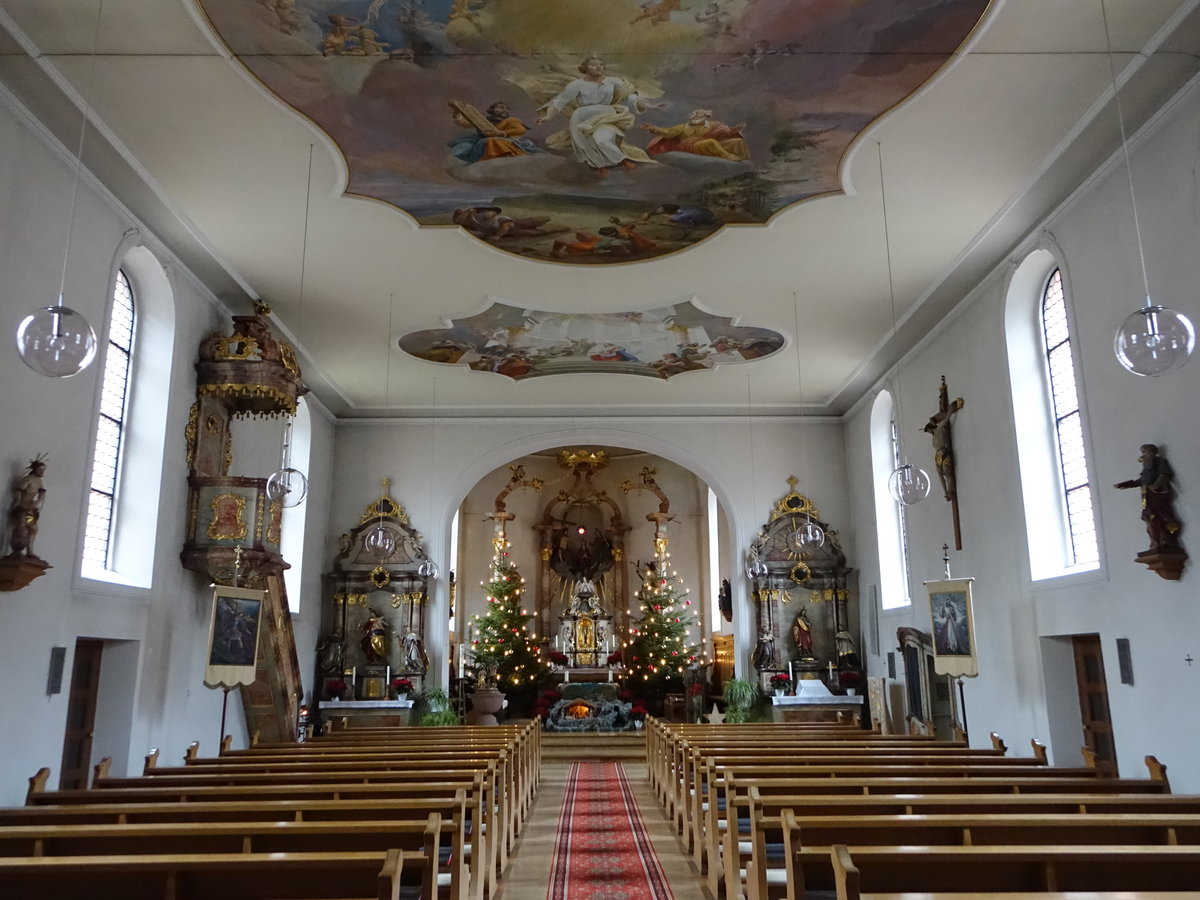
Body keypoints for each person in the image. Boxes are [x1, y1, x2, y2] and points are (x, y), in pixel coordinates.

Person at [534, 57, 668, 178]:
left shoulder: (613, 82)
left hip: (605, 115)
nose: (598, 67)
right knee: (586, 144)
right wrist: (548, 116)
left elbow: (631, 97)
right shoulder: (577, 84)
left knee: (602, 139)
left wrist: (650, 106)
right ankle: (601, 166)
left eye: (601, 65)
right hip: (581, 117)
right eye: (593, 64)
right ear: (586, 67)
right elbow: (560, 100)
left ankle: (623, 160)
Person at [1114, 443, 1184, 555]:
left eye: (1144, 452)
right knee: (1150, 520)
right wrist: (1126, 484)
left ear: (1151, 452)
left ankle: (1167, 541)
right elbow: (1142, 480)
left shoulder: (1160, 462)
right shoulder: (1146, 468)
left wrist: (1156, 485)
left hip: (1158, 495)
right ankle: (1155, 544)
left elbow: (1165, 474)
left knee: (1163, 517)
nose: (1142, 455)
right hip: (1147, 497)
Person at [448, 100, 542, 164]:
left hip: (508, 140)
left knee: (489, 141)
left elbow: (520, 130)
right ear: (492, 110)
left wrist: (501, 133)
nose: (504, 110)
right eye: (500, 108)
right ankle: (466, 156)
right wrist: (457, 113)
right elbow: (465, 124)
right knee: (467, 143)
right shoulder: (484, 120)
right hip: (485, 139)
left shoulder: (511, 120)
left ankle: (489, 157)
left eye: (506, 108)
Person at [641, 109, 749, 161]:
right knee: (711, 142)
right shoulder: (682, 127)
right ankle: (728, 157)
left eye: (698, 113)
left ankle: (742, 160)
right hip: (689, 146)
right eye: (694, 114)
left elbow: (724, 130)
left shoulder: (712, 125)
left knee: (737, 142)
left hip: (706, 145)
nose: (694, 115)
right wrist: (653, 128)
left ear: (705, 116)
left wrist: (732, 129)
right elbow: (668, 132)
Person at [923, 376, 964, 501]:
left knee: (947, 473)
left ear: (931, 427)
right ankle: (945, 492)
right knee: (940, 474)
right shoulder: (935, 431)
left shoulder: (939, 428)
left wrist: (951, 410)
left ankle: (950, 490)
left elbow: (945, 419)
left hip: (944, 452)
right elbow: (942, 415)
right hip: (938, 455)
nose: (928, 432)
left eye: (928, 430)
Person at [8, 456, 47, 560]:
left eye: (44, 470)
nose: (43, 472)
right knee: (22, 529)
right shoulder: (27, 479)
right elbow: (18, 490)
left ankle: (30, 551)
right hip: (23, 507)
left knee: (33, 529)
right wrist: (17, 502)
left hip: (31, 509)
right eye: (41, 470)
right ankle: (17, 550)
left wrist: (38, 502)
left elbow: (41, 493)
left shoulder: (39, 481)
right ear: (35, 469)